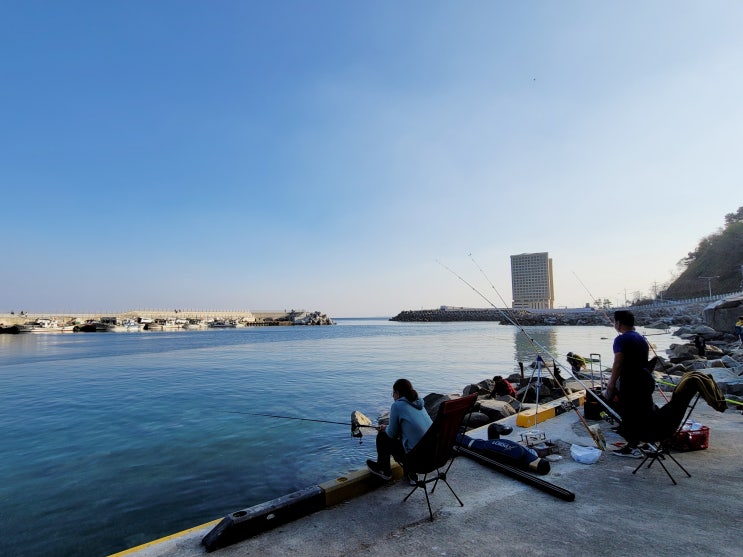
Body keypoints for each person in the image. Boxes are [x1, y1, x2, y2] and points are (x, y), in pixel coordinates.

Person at [605, 310, 654, 457]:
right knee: (644, 412)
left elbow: (618, 364)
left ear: (619, 323)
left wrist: (611, 383)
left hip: (630, 382)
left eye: (615, 322)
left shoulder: (621, 340)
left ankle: (632, 447)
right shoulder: (640, 338)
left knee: (629, 414)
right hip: (645, 380)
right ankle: (647, 443)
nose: (615, 324)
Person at [367, 378, 433, 482]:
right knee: (407, 437)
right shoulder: (419, 404)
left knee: (382, 437)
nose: (393, 396)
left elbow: (391, 434)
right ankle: (410, 475)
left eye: (393, 393)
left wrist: (384, 429)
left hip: (417, 460)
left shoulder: (397, 405)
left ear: (397, 393)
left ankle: (383, 470)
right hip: (433, 455)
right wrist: (387, 428)